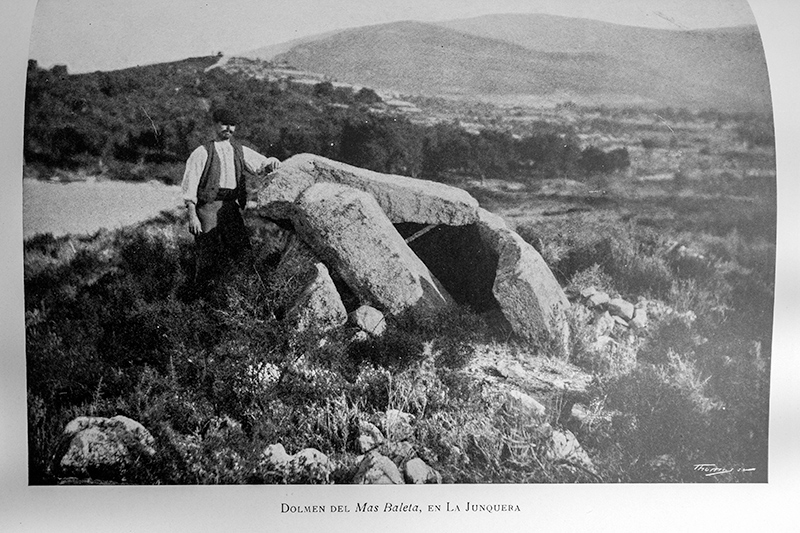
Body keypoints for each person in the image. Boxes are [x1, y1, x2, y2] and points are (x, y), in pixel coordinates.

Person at [181, 107, 281, 294]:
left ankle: (239, 293)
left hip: (230, 208)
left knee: (242, 250)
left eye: (232, 125)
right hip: (207, 208)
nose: (229, 128)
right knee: (207, 253)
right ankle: (201, 297)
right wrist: (192, 216)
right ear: (215, 125)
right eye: (224, 124)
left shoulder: (239, 150)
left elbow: (262, 164)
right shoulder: (202, 152)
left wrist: (272, 162)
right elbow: (190, 186)